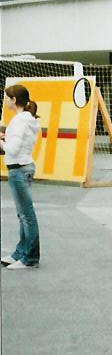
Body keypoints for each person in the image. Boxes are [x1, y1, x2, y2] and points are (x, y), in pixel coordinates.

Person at [1, 85, 42, 270]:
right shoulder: (26, 119)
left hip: (18, 169)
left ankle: (30, 258)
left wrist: (1, 140)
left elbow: (12, 149)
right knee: (23, 215)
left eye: (6, 97)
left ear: (14, 100)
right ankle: (20, 253)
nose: (5, 100)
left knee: (27, 216)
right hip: (23, 167)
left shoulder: (19, 121)